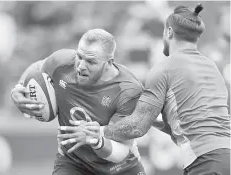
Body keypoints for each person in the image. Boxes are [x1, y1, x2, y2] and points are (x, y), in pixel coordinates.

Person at [70, 4, 230, 175]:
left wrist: (98, 132)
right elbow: (184, 124)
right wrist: (153, 116)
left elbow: (137, 127)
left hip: (206, 162)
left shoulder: (164, 69)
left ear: (168, 32)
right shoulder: (210, 66)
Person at [11, 29, 146, 175]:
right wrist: (19, 88)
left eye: (90, 61)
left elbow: (121, 151)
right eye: (79, 57)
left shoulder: (128, 91)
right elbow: (37, 68)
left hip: (121, 169)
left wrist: (96, 140)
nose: (81, 66)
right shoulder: (61, 62)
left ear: (108, 63)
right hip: (73, 163)